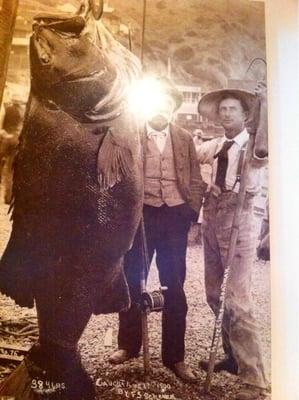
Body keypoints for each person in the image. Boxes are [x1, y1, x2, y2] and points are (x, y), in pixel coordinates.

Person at [109, 77, 206, 382]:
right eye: (156, 102)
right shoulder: (132, 136)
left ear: (173, 109)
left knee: (173, 285)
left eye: (167, 103)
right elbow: (118, 175)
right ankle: (128, 345)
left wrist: (190, 213)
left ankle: (174, 356)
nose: (161, 109)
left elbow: (195, 179)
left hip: (174, 217)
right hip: (142, 216)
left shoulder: (184, 137)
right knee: (133, 277)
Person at [196, 82, 269, 400]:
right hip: (213, 219)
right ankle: (233, 357)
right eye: (222, 109)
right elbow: (188, 156)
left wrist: (263, 108)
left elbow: (264, 146)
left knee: (236, 300)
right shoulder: (215, 145)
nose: (226, 114)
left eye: (232, 109)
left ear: (245, 115)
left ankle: (254, 380)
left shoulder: (255, 146)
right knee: (215, 295)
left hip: (240, 223)